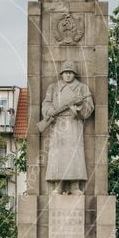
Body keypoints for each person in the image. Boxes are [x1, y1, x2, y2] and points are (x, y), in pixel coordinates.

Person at [40, 60, 94, 195]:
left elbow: (89, 106)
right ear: (61, 74)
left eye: (70, 73)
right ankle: (58, 185)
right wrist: (49, 111)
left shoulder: (82, 88)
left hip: (74, 124)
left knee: (75, 154)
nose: (68, 75)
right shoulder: (53, 87)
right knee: (57, 155)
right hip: (58, 124)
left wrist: (77, 110)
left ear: (74, 74)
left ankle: (75, 186)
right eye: (65, 73)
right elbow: (45, 104)